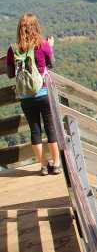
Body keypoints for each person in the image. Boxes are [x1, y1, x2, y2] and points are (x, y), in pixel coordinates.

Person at [6, 14, 61, 176]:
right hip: (43, 92)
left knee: (34, 130)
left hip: (25, 97)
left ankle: (43, 165)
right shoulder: (42, 45)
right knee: (50, 128)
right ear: (36, 27)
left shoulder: (13, 49)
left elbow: (10, 74)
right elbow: (51, 64)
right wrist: (50, 47)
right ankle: (56, 164)